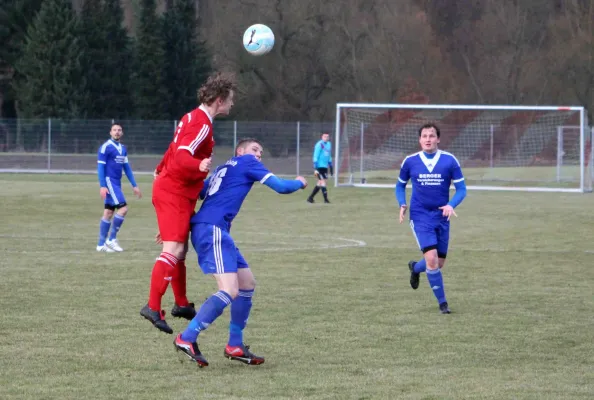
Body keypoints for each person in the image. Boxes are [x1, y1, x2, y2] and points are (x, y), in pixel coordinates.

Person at [173, 138, 307, 367]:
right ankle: (186, 337)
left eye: (261, 153)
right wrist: (299, 182)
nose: (258, 155)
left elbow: (198, 191)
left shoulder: (221, 169)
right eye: (255, 149)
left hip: (215, 230)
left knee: (246, 284)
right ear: (240, 151)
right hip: (211, 229)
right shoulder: (246, 162)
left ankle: (235, 344)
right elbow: (281, 187)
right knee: (229, 290)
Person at [140, 72, 237, 334]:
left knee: (180, 250)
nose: (231, 104)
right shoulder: (201, 124)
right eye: (229, 100)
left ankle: (181, 304)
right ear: (218, 100)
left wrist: (160, 168)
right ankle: (152, 307)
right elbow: (183, 155)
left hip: (176, 190)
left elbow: (173, 149)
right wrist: (199, 164)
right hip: (174, 192)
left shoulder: (194, 117)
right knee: (172, 249)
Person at [395, 123, 467, 314]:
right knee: (433, 260)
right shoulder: (410, 162)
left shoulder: (449, 161)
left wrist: (451, 205)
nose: (428, 139)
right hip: (420, 216)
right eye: (425, 136)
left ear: (438, 139)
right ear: (420, 140)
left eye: (432, 136)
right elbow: (400, 186)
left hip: (442, 217)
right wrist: (402, 203)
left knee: (438, 263)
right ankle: (443, 304)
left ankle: (415, 268)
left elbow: (462, 189)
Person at [96, 123, 141, 252]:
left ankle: (100, 245)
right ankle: (111, 239)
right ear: (110, 132)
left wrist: (134, 185)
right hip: (110, 182)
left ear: (122, 133)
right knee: (123, 209)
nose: (117, 132)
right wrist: (103, 186)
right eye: (114, 130)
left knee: (109, 212)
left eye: (119, 130)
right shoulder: (105, 147)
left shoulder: (123, 148)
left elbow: (126, 168)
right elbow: (100, 168)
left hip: (117, 182)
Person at [307, 132, 333, 204]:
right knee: (323, 182)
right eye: (325, 137)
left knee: (319, 183)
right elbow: (315, 155)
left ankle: (310, 198)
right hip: (318, 167)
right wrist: (315, 166)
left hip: (324, 167)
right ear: (322, 137)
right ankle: (326, 200)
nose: (326, 138)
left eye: (327, 137)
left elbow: (329, 155)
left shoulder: (329, 144)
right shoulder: (319, 144)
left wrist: (330, 165)